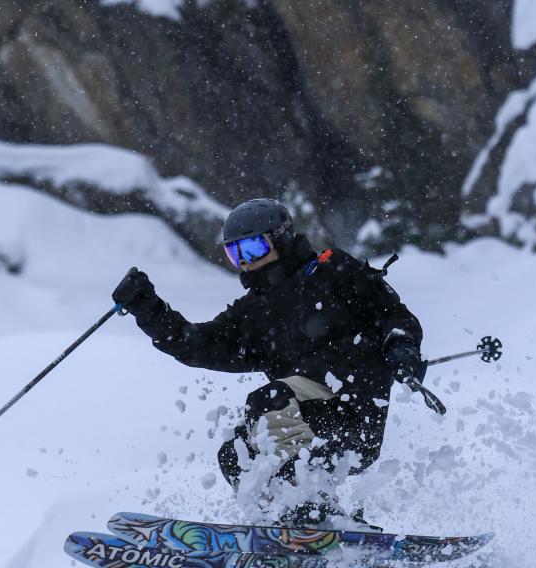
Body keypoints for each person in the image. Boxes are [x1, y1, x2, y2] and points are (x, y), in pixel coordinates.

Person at [112, 198, 425, 522]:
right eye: (235, 254)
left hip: (353, 414)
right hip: (301, 421)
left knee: (269, 399)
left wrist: (401, 346)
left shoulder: (332, 272)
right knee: (236, 452)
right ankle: (276, 521)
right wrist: (149, 310)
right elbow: (198, 345)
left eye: (253, 249)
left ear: (281, 239)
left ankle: (310, 510)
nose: (246, 262)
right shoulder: (254, 312)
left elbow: (395, 316)